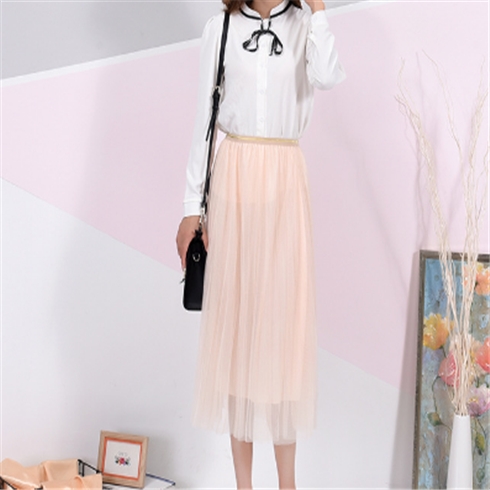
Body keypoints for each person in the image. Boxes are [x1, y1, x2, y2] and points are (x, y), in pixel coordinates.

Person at [176, 1, 345, 488]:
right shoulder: (220, 28)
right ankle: (244, 485)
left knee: (283, 335)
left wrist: (318, 11)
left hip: (285, 179)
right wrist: (191, 206)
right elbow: (204, 121)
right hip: (233, 180)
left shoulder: (306, 25)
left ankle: (287, 484)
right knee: (237, 337)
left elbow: (328, 76)